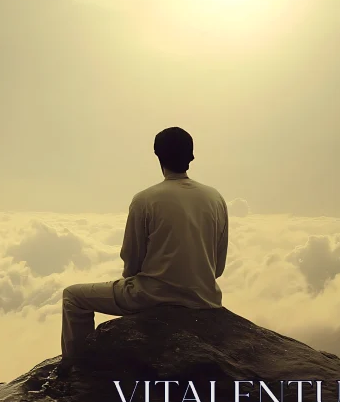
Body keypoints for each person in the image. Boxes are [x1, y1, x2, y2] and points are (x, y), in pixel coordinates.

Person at [58, 127, 229, 376]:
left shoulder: (145, 200)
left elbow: (132, 262)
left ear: (157, 155)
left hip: (151, 296)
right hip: (205, 298)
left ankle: (76, 370)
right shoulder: (215, 198)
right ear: (191, 157)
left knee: (72, 296)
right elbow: (219, 267)